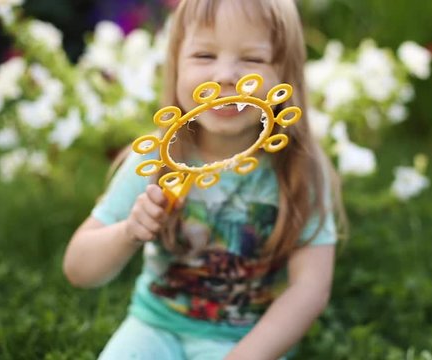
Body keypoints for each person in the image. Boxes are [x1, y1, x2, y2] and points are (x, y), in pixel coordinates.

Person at [63, 0, 345, 358]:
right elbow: (78, 269)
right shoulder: (156, 158)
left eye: (253, 59)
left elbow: (310, 289)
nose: (226, 75)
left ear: (285, 79)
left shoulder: (301, 167)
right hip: (155, 329)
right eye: (204, 55)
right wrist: (129, 232)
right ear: (176, 66)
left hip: (248, 343)